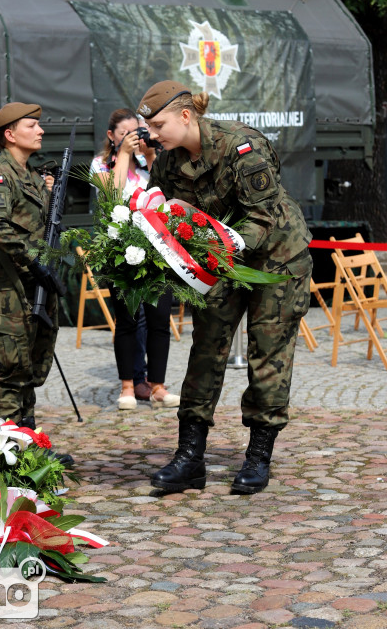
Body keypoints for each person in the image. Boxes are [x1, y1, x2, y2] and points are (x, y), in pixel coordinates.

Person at [136, 80, 312, 494]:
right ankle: (189, 458)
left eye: (159, 125)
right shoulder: (166, 163)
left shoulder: (241, 146)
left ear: (185, 115)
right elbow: (157, 214)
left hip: (276, 259)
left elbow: (262, 215)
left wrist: (219, 250)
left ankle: (257, 457)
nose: (153, 135)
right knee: (206, 349)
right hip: (219, 263)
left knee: (267, 353)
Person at [91, 107, 179, 411]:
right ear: (112, 136)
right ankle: (127, 386)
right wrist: (125, 154)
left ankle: (158, 386)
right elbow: (112, 196)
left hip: (156, 248)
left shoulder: (147, 164)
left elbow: (163, 194)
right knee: (127, 321)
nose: (133, 138)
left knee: (159, 321)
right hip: (121, 249)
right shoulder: (101, 164)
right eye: (126, 133)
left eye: (137, 132)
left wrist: (151, 154)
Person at [0, 102, 58, 429]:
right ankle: (5, 454)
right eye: (31, 126)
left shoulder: (32, 176)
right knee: (13, 373)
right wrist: (33, 260)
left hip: (35, 287)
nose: (40, 131)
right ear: (9, 135)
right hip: (9, 290)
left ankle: (28, 448)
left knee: (30, 371)